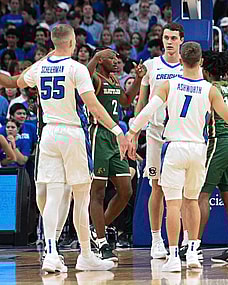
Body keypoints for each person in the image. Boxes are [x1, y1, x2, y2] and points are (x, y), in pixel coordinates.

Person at [126, 41, 228, 272]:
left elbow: (146, 112)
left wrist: (132, 133)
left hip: (175, 147)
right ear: (201, 62)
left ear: (181, 60)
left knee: (173, 205)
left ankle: (173, 256)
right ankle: (192, 251)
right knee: (192, 201)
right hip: (198, 148)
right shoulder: (210, 89)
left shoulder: (168, 85)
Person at [16, 24, 129, 273]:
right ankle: (86, 255)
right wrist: (119, 131)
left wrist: (44, 60)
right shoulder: (76, 68)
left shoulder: (40, 67)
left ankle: (51, 254)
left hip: (48, 134)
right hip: (71, 133)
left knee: (54, 196)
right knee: (81, 195)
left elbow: (20, 80)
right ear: (72, 42)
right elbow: (95, 107)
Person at [85, 47, 146, 261]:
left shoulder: (113, 80)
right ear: (102, 60)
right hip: (98, 135)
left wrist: (138, 79)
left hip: (115, 138)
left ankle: (96, 229)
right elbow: (85, 74)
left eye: (118, 58)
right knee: (98, 191)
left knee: (125, 190)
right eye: (112, 57)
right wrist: (95, 57)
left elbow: (127, 100)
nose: (117, 61)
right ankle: (102, 242)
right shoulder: (94, 79)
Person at [134, 22, 184, 259]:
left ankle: (183, 240)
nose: (169, 42)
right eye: (166, 37)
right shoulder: (150, 65)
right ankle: (156, 239)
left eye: (174, 38)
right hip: (155, 132)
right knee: (156, 187)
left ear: (181, 40)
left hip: (180, 134)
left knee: (181, 190)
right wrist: (134, 132)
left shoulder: (188, 67)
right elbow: (141, 102)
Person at [198, 51, 228, 263]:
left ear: (207, 71)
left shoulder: (209, 89)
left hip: (218, 142)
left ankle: (193, 246)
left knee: (201, 195)